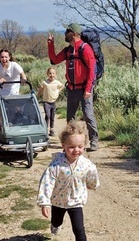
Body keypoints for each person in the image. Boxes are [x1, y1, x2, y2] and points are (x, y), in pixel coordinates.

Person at [36, 120, 100, 241]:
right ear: (63, 146)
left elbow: (92, 178)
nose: (76, 150)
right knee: (56, 221)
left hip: (76, 202)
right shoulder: (57, 164)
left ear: (84, 146)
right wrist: (45, 202)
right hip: (58, 201)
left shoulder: (87, 165)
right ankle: (55, 226)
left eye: (80, 146)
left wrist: (92, 185)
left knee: (79, 229)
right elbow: (47, 182)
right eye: (71, 147)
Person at [48, 23, 99, 151]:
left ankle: (94, 142)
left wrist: (88, 89)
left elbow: (92, 70)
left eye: (67, 31)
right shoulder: (68, 50)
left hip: (84, 89)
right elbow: (54, 60)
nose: (65, 33)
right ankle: (70, 141)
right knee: (70, 117)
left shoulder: (85, 49)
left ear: (74, 33)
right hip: (72, 88)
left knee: (88, 115)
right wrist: (50, 44)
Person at [37, 67, 64, 137]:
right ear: (47, 74)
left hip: (53, 102)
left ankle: (51, 129)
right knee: (48, 115)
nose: (52, 75)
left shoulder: (57, 82)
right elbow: (40, 90)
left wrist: (58, 91)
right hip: (46, 102)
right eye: (50, 73)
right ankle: (45, 129)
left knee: (52, 116)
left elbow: (62, 86)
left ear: (55, 74)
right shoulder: (45, 82)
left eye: (53, 73)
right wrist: (36, 97)